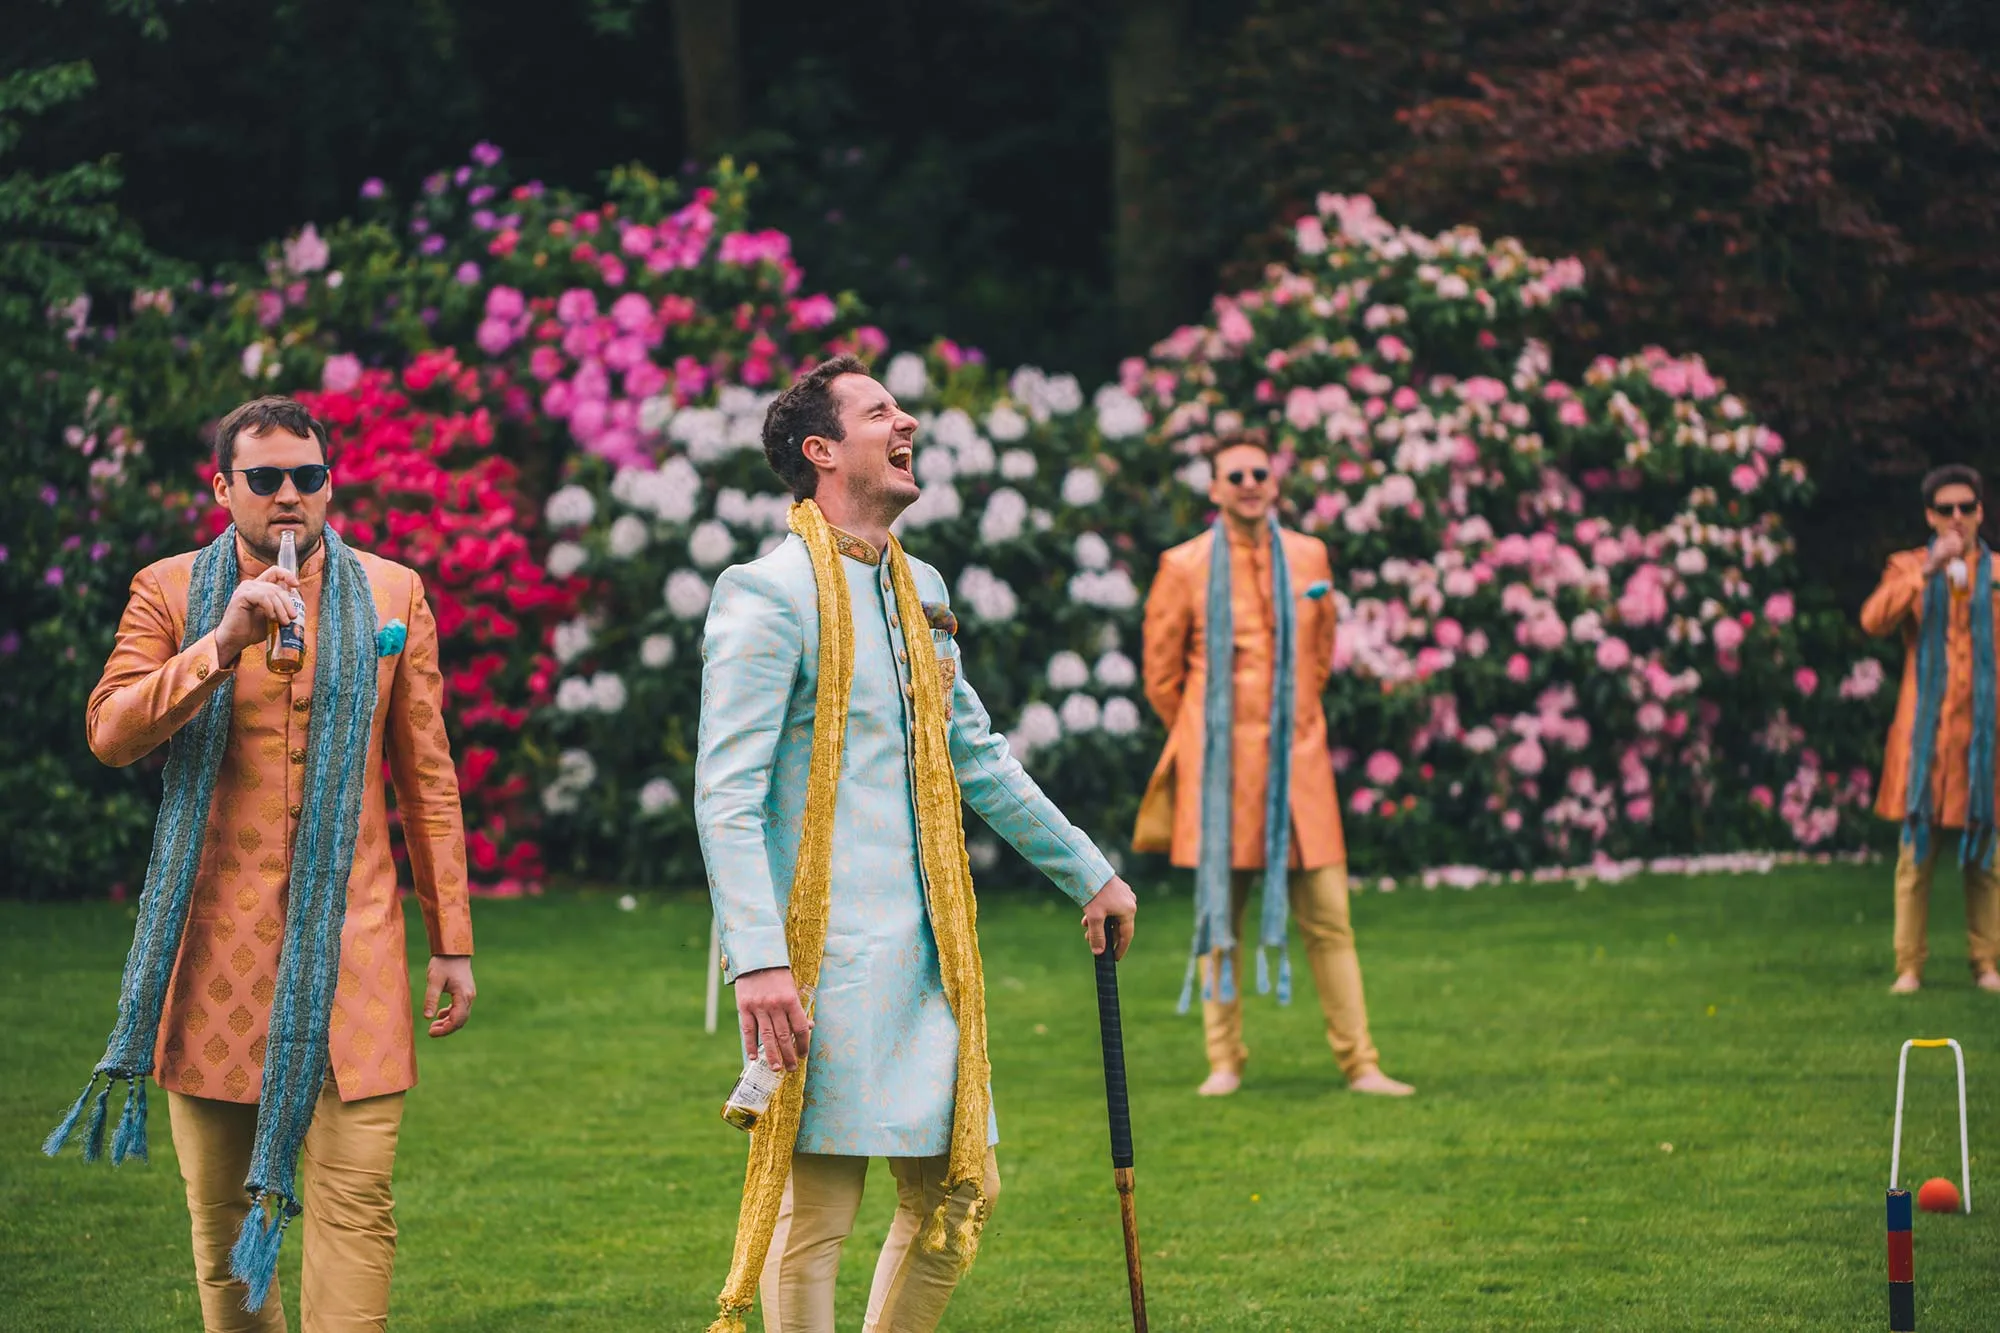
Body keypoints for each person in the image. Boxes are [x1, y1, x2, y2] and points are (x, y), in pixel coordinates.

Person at [695, 355, 1140, 1333]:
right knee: (818, 1211)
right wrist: (759, 959)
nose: (907, 422)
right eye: (879, 411)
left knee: (960, 1191)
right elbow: (725, 793)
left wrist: (1089, 871)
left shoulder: (920, 587)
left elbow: (973, 753)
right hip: (820, 957)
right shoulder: (767, 591)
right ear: (820, 451)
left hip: (933, 956)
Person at [45, 396, 476, 1330]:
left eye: (308, 476)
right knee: (224, 1233)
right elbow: (110, 732)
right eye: (266, 478)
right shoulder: (168, 591)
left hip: (355, 958)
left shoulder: (393, 593)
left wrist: (452, 941)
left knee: (358, 1210)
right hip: (213, 960)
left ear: (330, 484)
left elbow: (428, 781)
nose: (290, 495)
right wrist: (222, 641)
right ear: (222, 487)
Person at [1135, 431, 1411, 1099]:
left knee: (1330, 917)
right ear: (1215, 489)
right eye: (1236, 475)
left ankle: (1362, 1064)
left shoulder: (1309, 555)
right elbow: (1162, 677)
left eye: (1260, 472)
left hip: (1300, 764)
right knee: (1218, 922)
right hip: (1222, 770)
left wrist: (1297, 717)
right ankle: (1224, 1061)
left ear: (1275, 482)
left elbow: (1320, 652)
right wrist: (1206, 731)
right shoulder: (1184, 565)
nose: (1250, 484)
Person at [1860, 463, 2000, 995]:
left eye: (1967, 507)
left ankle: (1985, 964)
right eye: (1946, 509)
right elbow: (1874, 620)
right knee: (1914, 859)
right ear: (1929, 515)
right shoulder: (1908, 567)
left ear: (1981, 512)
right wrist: (1929, 571)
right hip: (1926, 744)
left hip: (1984, 742)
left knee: (1986, 860)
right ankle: (1909, 968)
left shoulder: (1998, 573)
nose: (1957, 517)